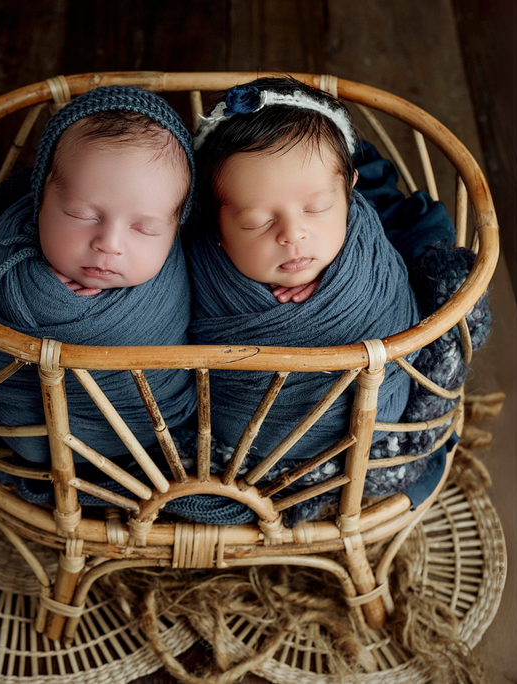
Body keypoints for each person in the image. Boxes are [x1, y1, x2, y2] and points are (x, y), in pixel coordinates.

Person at [183, 76, 428, 523]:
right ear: (215, 224)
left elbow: (398, 298)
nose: (293, 234)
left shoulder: (366, 248)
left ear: (350, 189)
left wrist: (338, 286)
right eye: (256, 221)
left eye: (316, 209)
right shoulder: (193, 263)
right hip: (239, 451)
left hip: (371, 428)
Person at [0, 85, 197, 465]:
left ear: (178, 225)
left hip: (144, 429)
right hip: (25, 423)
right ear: (41, 196)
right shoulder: (8, 257)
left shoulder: (179, 271)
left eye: (144, 229)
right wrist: (41, 290)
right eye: (83, 215)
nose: (109, 244)